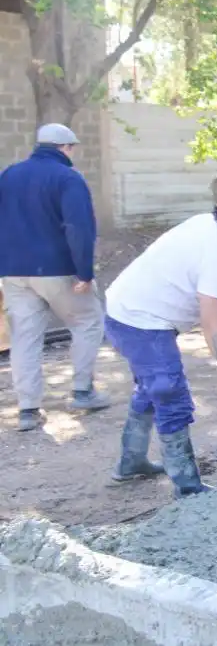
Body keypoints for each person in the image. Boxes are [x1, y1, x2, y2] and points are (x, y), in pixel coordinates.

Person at [103, 186, 217, 497]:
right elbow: (213, 329)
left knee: (151, 386)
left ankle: (130, 463)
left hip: (124, 308)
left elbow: (212, 313)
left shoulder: (206, 224)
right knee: (169, 393)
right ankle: (187, 488)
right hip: (141, 320)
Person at [0, 123, 109, 431]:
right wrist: (84, 272)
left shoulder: (8, 175)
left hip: (14, 271)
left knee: (25, 338)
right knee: (88, 322)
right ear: (65, 148)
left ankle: (28, 410)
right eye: (72, 148)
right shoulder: (67, 178)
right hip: (57, 269)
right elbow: (79, 228)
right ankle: (82, 391)